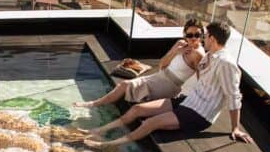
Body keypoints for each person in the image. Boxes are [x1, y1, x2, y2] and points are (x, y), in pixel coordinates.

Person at [82, 21, 252, 148]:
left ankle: (108, 144)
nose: (203, 39)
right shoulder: (209, 55)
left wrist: (235, 128)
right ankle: (99, 131)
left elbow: (234, 96)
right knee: (137, 110)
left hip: (199, 113)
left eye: (205, 36)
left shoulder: (226, 64)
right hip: (187, 101)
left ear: (212, 38)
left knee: (149, 123)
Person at [74, 19, 205, 108]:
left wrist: (196, 102)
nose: (193, 38)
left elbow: (202, 79)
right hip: (160, 76)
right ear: (184, 34)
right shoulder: (180, 44)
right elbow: (162, 64)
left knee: (125, 85)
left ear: (202, 35)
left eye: (197, 35)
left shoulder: (198, 54)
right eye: (190, 34)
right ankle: (98, 105)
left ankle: (93, 105)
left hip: (170, 85)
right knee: (125, 86)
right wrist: (176, 52)